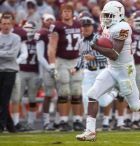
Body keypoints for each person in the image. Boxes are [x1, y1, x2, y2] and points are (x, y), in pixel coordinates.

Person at [76, 1, 140, 141]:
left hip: (125, 71)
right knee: (92, 94)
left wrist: (96, 47)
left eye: (109, 15)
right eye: (105, 15)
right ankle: (90, 131)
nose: (106, 18)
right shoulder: (107, 26)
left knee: (135, 106)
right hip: (111, 68)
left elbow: (114, 54)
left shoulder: (123, 27)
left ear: (119, 15)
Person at [48, 3, 83, 131]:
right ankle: (63, 121)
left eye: (69, 11)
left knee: (76, 91)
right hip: (62, 61)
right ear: (60, 13)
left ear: (72, 13)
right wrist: (52, 65)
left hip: (75, 60)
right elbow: (52, 47)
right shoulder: (57, 26)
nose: (67, 13)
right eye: (64, 11)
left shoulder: (78, 25)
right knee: (64, 92)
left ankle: (77, 120)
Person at [34, 13, 56, 131]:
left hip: (59, 66)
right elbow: (40, 56)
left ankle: (58, 120)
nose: (50, 22)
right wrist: (49, 67)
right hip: (48, 68)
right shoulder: (42, 33)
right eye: (48, 20)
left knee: (62, 95)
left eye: (52, 20)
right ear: (43, 21)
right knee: (48, 95)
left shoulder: (56, 32)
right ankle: (46, 122)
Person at [0, 15, 21, 133]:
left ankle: (1, 125)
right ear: (0, 24)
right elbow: (9, 54)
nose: (6, 26)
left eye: (8, 23)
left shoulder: (16, 38)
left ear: (12, 24)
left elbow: (13, 55)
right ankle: (10, 125)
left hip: (10, 71)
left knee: (5, 99)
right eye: (4, 23)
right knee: (1, 100)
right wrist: (6, 53)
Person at [19, 21, 41, 131]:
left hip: (34, 72)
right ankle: (16, 122)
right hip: (21, 71)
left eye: (29, 28)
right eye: (25, 28)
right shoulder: (19, 39)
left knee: (32, 98)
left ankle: (30, 122)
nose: (27, 30)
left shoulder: (38, 41)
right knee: (17, 97)